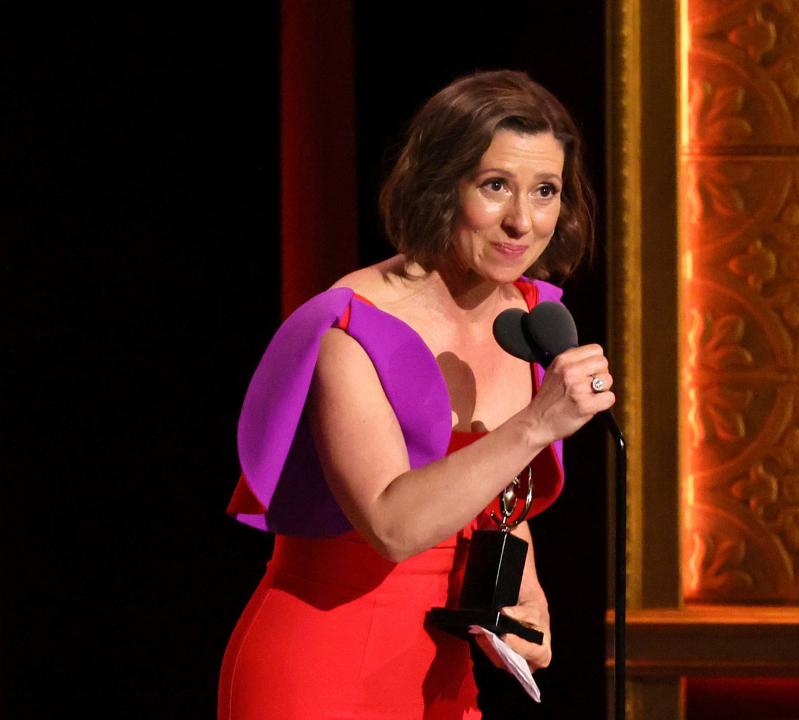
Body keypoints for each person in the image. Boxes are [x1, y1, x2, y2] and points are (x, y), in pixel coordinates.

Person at [218, 69, 615, 720]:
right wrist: (538, 424)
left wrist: (523, 586)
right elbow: (393, 526)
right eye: (495, 187)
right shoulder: (350, 326)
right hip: (318, 664)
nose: (523, 220)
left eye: (545, 191)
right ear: (439, 186)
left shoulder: (530, 314)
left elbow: (495, 492)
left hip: (439, 672)